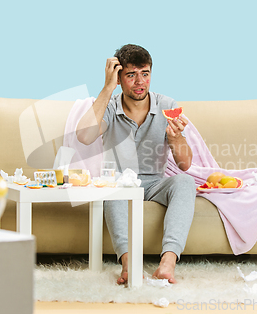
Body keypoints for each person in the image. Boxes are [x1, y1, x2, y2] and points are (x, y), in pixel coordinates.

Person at [76, 44, 196, 284]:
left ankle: (167, 264)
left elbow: (185, 164)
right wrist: (108, 87)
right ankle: (129, 266)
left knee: (185, 182)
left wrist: (175, 138)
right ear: (119, 78)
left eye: (145, 73)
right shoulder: (109, 108)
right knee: (112, 187)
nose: (140, 81)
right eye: (131, 75)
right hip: (119, 182)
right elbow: (85, 136)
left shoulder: (167, 105)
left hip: (154, 182)